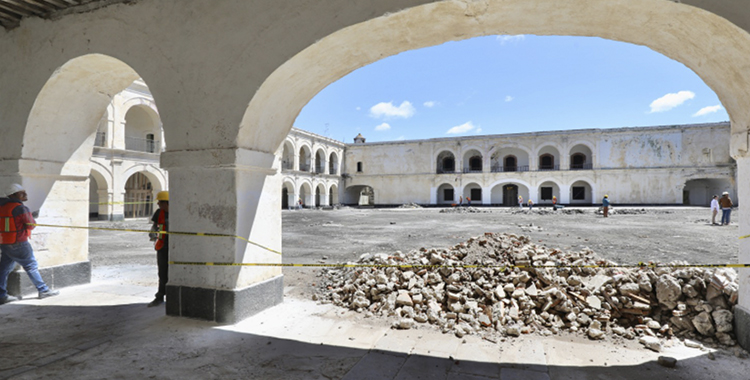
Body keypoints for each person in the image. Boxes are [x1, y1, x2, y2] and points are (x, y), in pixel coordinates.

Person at [0, 183, 59, 304]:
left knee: (4, 269)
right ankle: (43, 290)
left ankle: (2, 295)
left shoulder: (2, 207)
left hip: (5, 242)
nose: (25, 194)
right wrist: (32, 218)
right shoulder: (21, 208)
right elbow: (30, 225)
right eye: (22, 192)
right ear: (14, 195)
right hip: (19, 242)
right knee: (31, 265)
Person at [148, 190, 169, 307]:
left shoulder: (177, 213)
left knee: (173, 273)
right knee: (162, 273)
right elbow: (155, 225)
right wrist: (152, 233)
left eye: (160, 202)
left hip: (174, 248)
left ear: (167, 203)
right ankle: (160, 296)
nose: (158, 205)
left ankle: (171, 296)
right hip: (162, 246)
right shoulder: (158, 213)